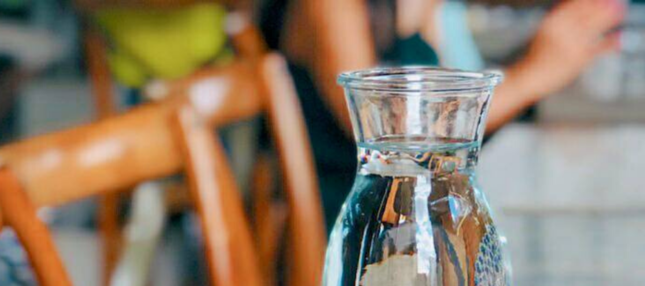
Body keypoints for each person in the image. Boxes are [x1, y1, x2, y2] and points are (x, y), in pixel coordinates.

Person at [263, 0, 626, 224]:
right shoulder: (327, 6)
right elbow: (396, 134)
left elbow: (444, 125)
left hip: (412, 223)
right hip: (354, 244)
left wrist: (541, 57)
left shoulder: (411, 8)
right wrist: (533, 74)